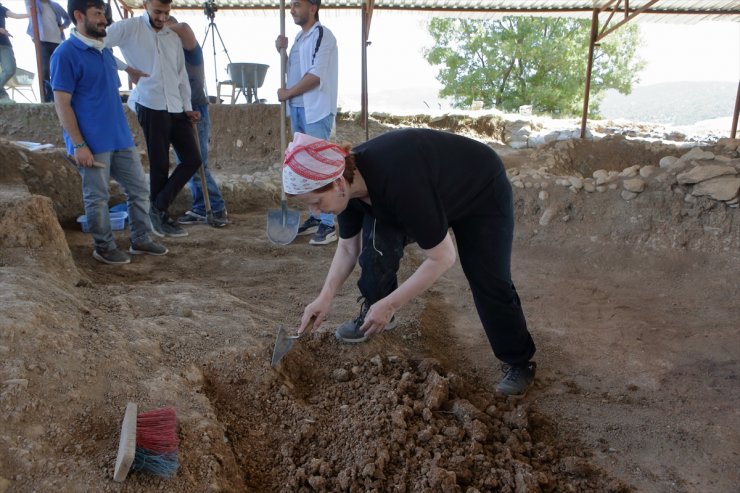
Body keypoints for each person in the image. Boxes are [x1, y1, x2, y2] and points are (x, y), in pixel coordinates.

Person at [285, 129, 538, 397]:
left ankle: (519, 362)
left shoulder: (400, 182)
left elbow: (443, 257)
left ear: (338, 184)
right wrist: (325, 297)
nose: (315, 212)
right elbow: (348, 247)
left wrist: (393, 303)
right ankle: (377, 311)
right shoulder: (347, 192)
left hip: (479, 191)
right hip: (427, 192)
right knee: (374, 248)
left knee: (488, 280)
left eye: (315, 203)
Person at [50, 0, 167, 265]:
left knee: (139, 189)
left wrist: (129, 70)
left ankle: (141, 239)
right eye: (98, 14)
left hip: (119, 136)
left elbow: (112, 61)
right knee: (97, 196)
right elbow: (62, 103)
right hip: (91, 141)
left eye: (104, 13)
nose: (104, 19)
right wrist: (79, 145)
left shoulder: (101, 50)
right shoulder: (65, 54)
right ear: (79, 16)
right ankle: (103, 246)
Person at [104, 0, 202, 238]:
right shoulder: (129, 28)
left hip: (176, 105)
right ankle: (159, 216)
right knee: (159, 164)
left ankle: (156, 208)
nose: (161, 17)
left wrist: (187, 107)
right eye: (157, 12)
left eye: (166, 13)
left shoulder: (171, 36)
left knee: (192, 159)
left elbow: (181, 75)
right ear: (146, 5)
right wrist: (126, 68)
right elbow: (98, 43)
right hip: (150, 103)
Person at [275, 0, 338, 246]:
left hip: (316, 111)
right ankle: (315, 216)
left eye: (297, 5)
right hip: (298, 111)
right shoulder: (300, 39)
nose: (291, 9)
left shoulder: (323, 35)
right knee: (303, 166)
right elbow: (297, 72)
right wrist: (283, 51)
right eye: (290, 5)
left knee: (319, 168)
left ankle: (328, 224)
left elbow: (316, 75)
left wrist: (288, 93)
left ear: (313, 8)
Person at [164, 16, 228, 228]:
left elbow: (183, 27)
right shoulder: (166, 55)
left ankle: (216, 207)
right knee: (188, 161)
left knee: (195, 162)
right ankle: (202, 206)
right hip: (178, 110)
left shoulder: (190, 52)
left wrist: (160, 28)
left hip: (195, 110)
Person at [26, 0, 70, 102]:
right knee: (45, 70)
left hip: (57, 41)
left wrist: (63, 27)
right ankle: (46, 98)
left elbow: (67, 17)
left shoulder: (55, 5)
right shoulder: (33, 3)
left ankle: (60, 97)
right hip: (42, 41)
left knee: (59, 70)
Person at [0, 2, 29, 102]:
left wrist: (30, 14)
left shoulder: (1, 9)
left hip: (4, 44)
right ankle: (3, 96)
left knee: (10, 69)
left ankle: (2, 94)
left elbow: (15, 15)